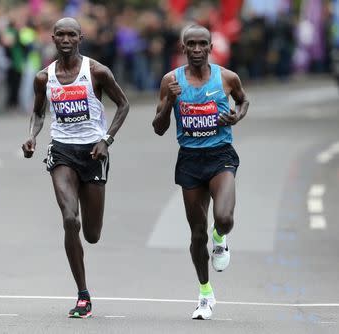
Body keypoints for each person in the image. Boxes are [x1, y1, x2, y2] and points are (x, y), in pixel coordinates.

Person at [22, 17, 129, 318]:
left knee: (92, 234)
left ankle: (85, 267)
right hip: (62, 152)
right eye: (61, 35)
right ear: (53, 39)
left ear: (80, 38)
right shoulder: (44, 77)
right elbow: (38, 113)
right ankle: (83, 295)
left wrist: (107, 139)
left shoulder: (97, 72)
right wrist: (31, 136)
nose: (66, 40)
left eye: (72, 35)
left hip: (94, 153)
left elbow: (124, 105)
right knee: (71, 220)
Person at [152, 24, 249, 320]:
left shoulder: (227, 78)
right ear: (182, 48)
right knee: (196, 235)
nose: (196, 49)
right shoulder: (171, 80)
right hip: (190, 159)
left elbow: (243, 101)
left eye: (201, 44)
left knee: (224, 218)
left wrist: (236, 116)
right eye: (190, 44)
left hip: (220, 155)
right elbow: (158, 128)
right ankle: (205, 294)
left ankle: (220, 237)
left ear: (210, 47)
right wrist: (169, 101)